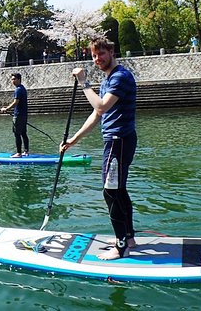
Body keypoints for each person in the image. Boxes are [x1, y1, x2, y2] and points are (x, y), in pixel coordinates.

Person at [60, 38, 137, 260]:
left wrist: (84, 82)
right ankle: (129, 237)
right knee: (118, 189)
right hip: (115, 141)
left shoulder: (121, 77)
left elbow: (101, 105)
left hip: (119, 140)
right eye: (94, 56)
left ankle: (121, 246)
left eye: (101, 54)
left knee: (110, 191)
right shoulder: (107, 81)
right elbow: (98, 114)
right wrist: (74, 139)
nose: (97, 59)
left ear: (112, 52)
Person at [0, 73, 29, 157]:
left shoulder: (18, 90)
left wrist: (6, 109)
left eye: (14, 79)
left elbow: (16, 102)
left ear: (19, 79)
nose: (12, 81)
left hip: (19, 115)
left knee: (17, 134)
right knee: (23, 133)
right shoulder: (23, 88)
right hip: (24, 115)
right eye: (12, 79)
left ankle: (19, 153)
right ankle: (26, 152)